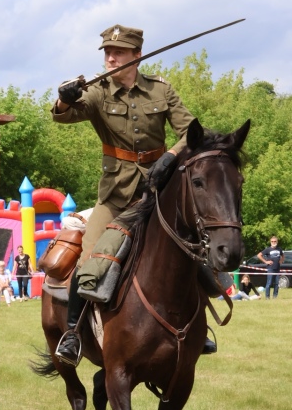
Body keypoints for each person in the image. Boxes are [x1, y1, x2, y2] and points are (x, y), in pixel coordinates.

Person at [51, 23, 203, 365]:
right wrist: (64, 98)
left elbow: (192, 132)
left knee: (194, 251)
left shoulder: (161, 90)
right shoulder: (97, 91)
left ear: (137, 55)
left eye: (117, 52)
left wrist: (170, 157)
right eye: (106, 52)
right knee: (90, 258)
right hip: (115, 194)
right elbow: (63, 117)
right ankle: (73, 334)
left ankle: (198, 330)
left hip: (160, 190)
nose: (109, 57)